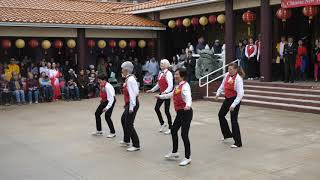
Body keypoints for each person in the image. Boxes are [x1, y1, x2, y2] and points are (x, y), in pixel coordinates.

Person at [156, 68, 193, 166]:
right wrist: (160, 96)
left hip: (186, 112)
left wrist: (188, 105)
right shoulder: (178, 86)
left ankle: (188, 157)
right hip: (180, 113)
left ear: (182, 76)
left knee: (184, 134)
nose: (175, 76)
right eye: (175, 74)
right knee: (173, 130)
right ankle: (175, 152)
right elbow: (171, 95)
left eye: (177, 74)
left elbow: (188, 97)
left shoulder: (185, 86)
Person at [215, 63, 244, 148]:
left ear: (235, 70)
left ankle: (238, 142)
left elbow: (240, 94)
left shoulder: (238, 79)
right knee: (221, 115)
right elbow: (222, 85)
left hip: (235, 99)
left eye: (231, 69)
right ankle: (227, 134)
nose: (229, 71)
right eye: (228, 69)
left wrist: (234, 104)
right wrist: (218, 93)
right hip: (227, 98)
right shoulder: (227, 75)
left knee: (233, 120)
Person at [147, 59, 173, 134]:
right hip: (162, 93)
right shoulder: (160, 73)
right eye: (161, 63)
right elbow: (158, 84)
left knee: (166, 111)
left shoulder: (168, 73)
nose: (161, 64)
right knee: (156, 108)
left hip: (167, 94)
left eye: (162, 63)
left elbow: (170, 85)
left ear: (166, 65)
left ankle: (170, 128)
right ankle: (162, 123)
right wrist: (152, 90)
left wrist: (165, 92)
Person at [120, 61, 140, 152]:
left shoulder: (130, 80)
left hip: (133, 103)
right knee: (123, 120)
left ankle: (136, 144)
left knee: (129, 123)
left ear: (126, 70)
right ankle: (126, 140)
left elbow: (133, 94)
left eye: (122, 69)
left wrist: (131, 107)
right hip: (130, 103)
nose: (121, 71)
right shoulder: (129, 79)